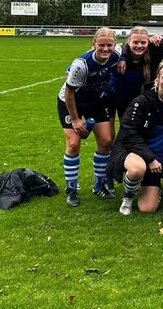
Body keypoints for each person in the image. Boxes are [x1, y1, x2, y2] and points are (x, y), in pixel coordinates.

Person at [108, 60, 163, 215]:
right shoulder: (141, 102)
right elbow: (129, 134)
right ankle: (128, 197)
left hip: (158, 159)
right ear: (157, 79)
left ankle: (152, 190)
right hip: (132, 151)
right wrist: (149, 159)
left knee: (147, 208)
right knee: (137, 169)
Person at [58, 28, 122, 207]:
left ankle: (98, 184)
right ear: (93, 44)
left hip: (95, 101)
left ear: (115, 45)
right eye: (101, 45)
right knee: (73, 143)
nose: (105, 49)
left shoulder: (117, 53)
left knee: (106, 140)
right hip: (71, 103)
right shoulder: (82, 64)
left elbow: (133, 43)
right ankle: (71, 189)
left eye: (109, 45)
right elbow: (70, 94)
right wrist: (76, 119)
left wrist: (123, 59)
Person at [105, 26, 153, 119]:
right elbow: (94, 54)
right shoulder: (117, 53)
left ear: (148, 42)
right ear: (128, 41)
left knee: (127, 131)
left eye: (143, 42)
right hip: (110, 97)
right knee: (109, 133)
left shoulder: (152, 54)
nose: (139, 46)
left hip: (130, 100)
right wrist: (71, 68)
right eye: (135, 42)